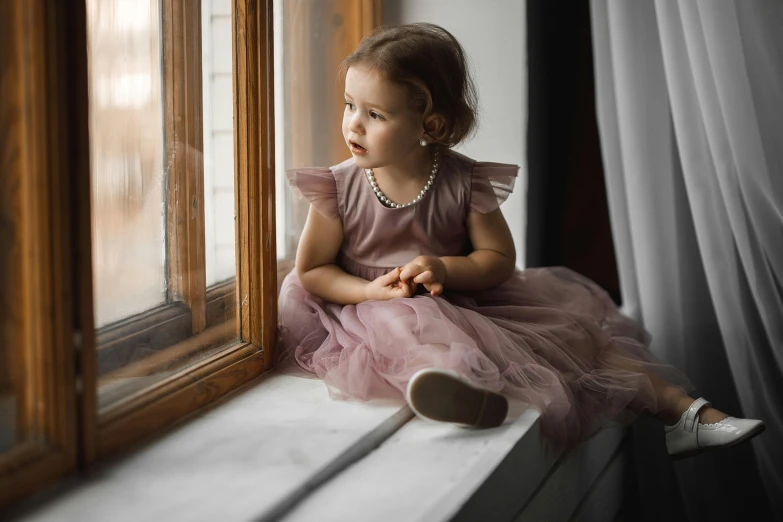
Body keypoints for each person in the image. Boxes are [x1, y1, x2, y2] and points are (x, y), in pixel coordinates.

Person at [277, 22, 765, 457]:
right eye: (349, 105)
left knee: (580, 343)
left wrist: (447, 268)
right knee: (408, 327)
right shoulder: (338, 187)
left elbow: (497, 260)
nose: (353, 124)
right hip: (365, 308)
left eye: (375, 114)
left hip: (464, 300)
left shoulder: (464, 181)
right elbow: (313, 271)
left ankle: (686, 413)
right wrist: (367, 291)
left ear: (431, 124)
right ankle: (455, 390)